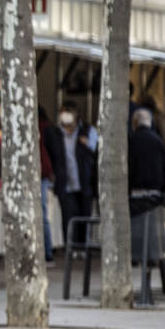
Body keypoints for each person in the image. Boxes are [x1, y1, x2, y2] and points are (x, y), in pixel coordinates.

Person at [43, 101, 97, 252]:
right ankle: (71, 248)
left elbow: (96, 150)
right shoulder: (55, 133)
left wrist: (87, 145)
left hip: (84, 181)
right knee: (68, 217)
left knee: (84, 216)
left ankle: (83, 247)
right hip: (64, 182)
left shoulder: (87, 131)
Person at [128, 108, 165, 267]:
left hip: (137, 190)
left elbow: (130, 167)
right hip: (155, 190)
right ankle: (153, 256)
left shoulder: (132, 140)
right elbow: (164, 167)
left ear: (135, 123)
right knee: (153, 228)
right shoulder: (158, 141)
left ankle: (137, 256)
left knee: (137, 227)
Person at [37, 106, 55, 262]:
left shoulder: (45, 128)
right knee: (43, 214)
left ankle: (47, 251)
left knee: (42, 214)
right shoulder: (47, 128)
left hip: (41, 173)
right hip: (43, 173)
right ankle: (47, 252)